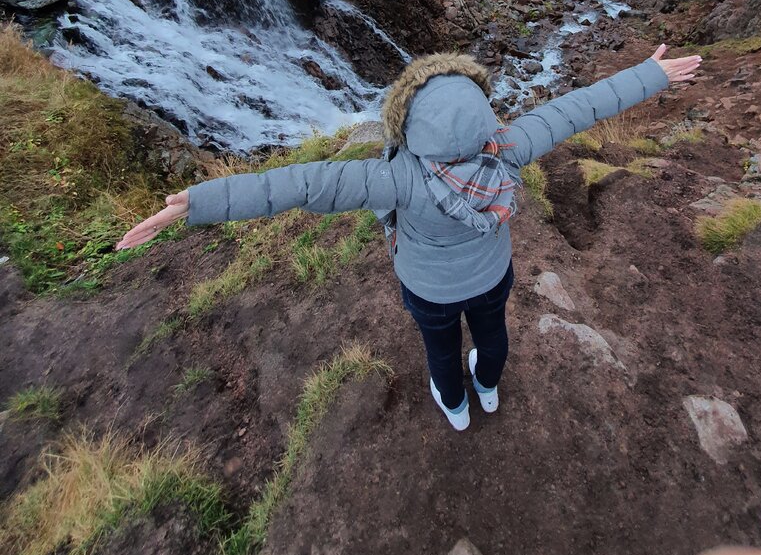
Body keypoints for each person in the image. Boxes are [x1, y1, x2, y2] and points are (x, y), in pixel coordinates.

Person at [116, 45, 701, 430]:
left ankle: (455, 404)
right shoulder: (511, 148)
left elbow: (291, 186)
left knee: (441, 351)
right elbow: (577, 109)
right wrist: (651, 74)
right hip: (492, 277)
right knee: (491, 338)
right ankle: (489, 385)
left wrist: (195, 204)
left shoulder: (390, 177)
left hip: (427, 289)